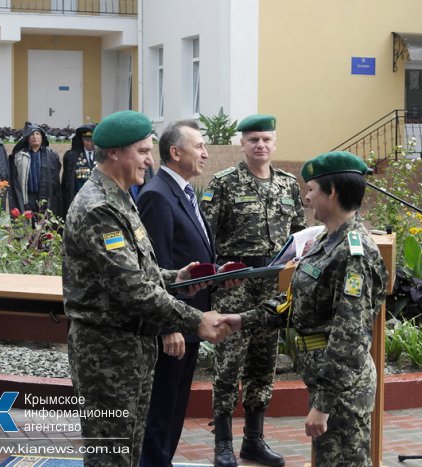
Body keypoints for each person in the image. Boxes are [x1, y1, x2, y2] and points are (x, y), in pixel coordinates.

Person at [62, 110, 237, 467]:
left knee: (131, 451)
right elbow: (132, 289)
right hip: (108, 355)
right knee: (111, 457)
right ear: (114, 153)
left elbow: (142, 270)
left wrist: (179, 277)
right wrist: (195, 320)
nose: (149, 160)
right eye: (142, 151)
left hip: (131, 352)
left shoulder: (120, 196)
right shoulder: (98, 208)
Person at [223, 150, 388, 466]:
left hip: (342, 389)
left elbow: (349, 337)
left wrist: (323, 404)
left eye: (311, 189)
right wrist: (241, 320)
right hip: (326, 381)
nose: (307, 197)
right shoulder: (328, 240)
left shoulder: (353, 253)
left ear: (333, 192)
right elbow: (295, 305)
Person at [201, 114, 306, 467]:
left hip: (272, 286)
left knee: (263, 366)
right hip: (236, 283)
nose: (260, 145)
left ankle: (254, 441)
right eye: (253, 140)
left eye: (266, 139)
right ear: (242, 144)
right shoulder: (224, 182)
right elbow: (204, 235)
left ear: (274, 143)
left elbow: (299, 234)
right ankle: (223, 444)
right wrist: (214, 275)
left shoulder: (289, 184)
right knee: (229, 366)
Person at [137, 120, 220, 466]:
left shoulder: (184, 190)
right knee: (161, 410)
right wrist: (168, 326)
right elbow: (157, 267)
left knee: (175, 409)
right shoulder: (157, 195)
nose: (205, 153)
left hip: (191, 320)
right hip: (174, 325)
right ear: (175, 152)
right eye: (199, 146)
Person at [9, 123, 64, 218]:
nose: (35, 137)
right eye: (32, 134)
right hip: (27, 198)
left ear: (42, 137)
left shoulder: (51, 156)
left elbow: (55, 180)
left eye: (38, 134)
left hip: (45, 198)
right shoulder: (19, 156)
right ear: (27, 138)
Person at [61, 123, 96, 215]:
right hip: (79, 203)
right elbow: (66, 184)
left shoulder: (103, 156)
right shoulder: (72, 156)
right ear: (81, 139)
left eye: (92, 140)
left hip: (98, 203)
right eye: (86, 140)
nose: (89, 143)